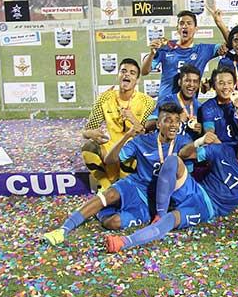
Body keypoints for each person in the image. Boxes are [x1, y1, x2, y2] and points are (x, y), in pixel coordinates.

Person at [104, 124, 238, 253]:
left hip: (207, 207)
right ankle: (159, 214)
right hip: (194, 189)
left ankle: (124, 242)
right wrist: (199, 141)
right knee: (172, 160)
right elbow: (185, 155)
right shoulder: (223, 149)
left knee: (171, 220)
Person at [44, 103, 192, 245]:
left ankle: (100, 212)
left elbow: (187, 172)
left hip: (152, 201)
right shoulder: (141, 141)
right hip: (136, 185)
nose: (173, 125)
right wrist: (127, 136)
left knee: (113, 223)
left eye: (177, 121)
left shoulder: (184, 142)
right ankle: (63, 230)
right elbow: (110, 160)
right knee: (109, 195)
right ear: (159, 124)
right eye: (168, 120)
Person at [81, 58, 156, 192]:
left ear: (137, 80)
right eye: (123, 71)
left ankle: (122, 188)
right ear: (118, 76)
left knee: (126, 184)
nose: (127, 74)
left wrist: (133, 120)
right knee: (88, 148)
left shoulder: (147, 102)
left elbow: (147, 134)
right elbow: (88, 129)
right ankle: (105, 186)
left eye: (132, 73)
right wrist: (89, 133)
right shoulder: (105, 98)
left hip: (133, 150)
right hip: (112, 147)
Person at [141, 9, 228, 101]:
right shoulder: (166, 47)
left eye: (189, 23)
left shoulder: (203, 50)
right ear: (177, 28)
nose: (185, 26)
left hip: (188, 108)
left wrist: (219, 23)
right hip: (165, 106)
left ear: (196, 29)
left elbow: (231, 44)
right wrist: (151, 54)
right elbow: (144, 71)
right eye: (181, 23)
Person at [199, 66, 238, 145]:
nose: (226, 87)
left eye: (229, 83)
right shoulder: (207, 107)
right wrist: (225, 151)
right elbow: (209, 135)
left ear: (234, 84)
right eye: (221, 83)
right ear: (214, 86)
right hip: (219, 148)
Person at [145, 64, 202, 137]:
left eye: (195, 81)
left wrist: (201, 130)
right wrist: (173, 119)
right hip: (167, 147)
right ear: (180, 82)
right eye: (187, 80)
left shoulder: (200, 107)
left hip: (190, 147)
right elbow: (148, 125)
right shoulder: (167, 101)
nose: (191, 84)